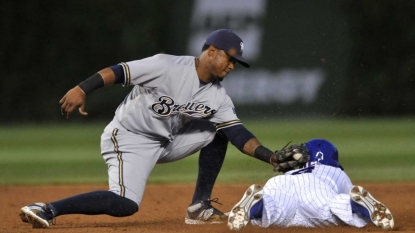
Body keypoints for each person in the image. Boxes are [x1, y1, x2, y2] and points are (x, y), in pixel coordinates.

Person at [19, 29, 305, 228]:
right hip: (129, 138)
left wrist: (270, 157)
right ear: (211, 51)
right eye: (229, 58)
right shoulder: (165, 66)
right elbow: (120, 71)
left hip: (167, 141)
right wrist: (83, 88)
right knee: (124, 205)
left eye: (236, 62)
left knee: (218, 131)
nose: (232, 66)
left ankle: (199, 207)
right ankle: (46, 208)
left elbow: (237, 133)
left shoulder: (218, 96)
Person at [227, 138, 395, 230]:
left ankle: (257, 204)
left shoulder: (292, 171)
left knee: (272, 210)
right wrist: (352, 202)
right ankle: (357, 206)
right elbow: (349, 192)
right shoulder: (336, 172)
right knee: (336, 206)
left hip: (280, 184)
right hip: (315, 191)